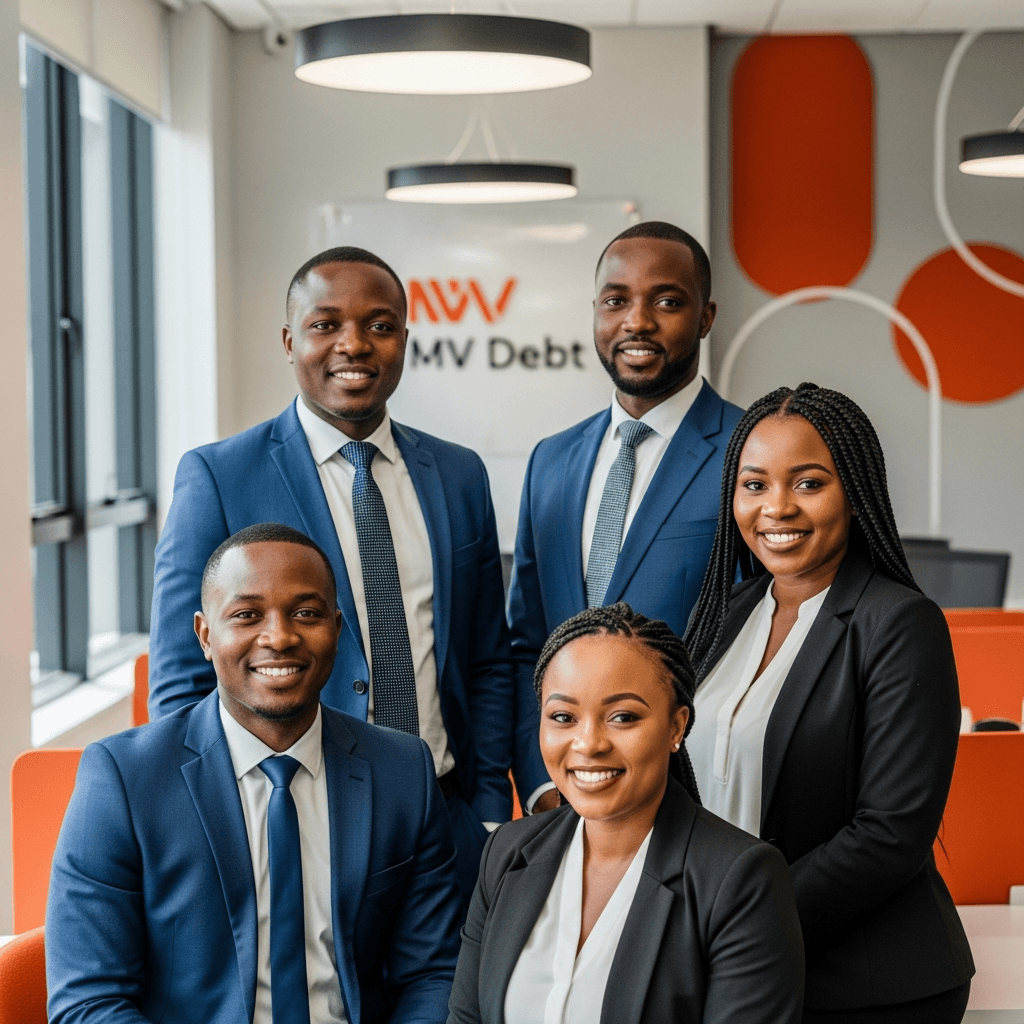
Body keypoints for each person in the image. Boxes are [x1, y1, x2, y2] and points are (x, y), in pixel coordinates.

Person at [148, 246, 514, 901]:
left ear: (405, 339)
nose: (355, 345)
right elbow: (180, 675)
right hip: (288, 815)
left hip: (446, 817)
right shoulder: (219, 476)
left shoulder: (459, 477)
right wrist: (218, 821)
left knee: (445, 1001)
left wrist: (487, 811)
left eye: (379, 325)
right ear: (290, 342)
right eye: (326, 325)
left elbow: (487, 658)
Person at [47, 523, 463, 1024]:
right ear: (205, 634)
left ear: (336, 627)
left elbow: (434, 974)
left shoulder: (403, 773)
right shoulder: (124, 780)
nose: (280, 637)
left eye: (306, 614)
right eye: (246, 615)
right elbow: (88, 1001)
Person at [684, 383, 975, 1024]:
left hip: (862, 984)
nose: (776, 508)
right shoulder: (727, 616)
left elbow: (889, 833)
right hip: (735, 972)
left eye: (809, 483)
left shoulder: (899, 623)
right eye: (754, 485)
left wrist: (741, 922)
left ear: (855, 491)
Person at [448, 603, 805, 1024]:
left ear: (676, 726)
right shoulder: (506, 852)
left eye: (622, 717)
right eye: (563, 717)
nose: (588, 743)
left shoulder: (741, 880)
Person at [507, 221, 744, 814]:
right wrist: (543, 783)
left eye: (667, 301)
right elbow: (525, 644)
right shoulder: (552, 460)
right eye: (617, 301)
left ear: (706, 317)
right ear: (595, 313)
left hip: (702, 798)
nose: (637, 321)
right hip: (569, 798)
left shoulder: (752, 448)